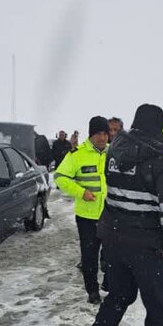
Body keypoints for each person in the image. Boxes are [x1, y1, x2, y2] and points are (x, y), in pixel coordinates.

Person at [75, 103, 163, 326]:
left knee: (117, 298)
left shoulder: (115, 151)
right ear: (159, 126)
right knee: (158, 309)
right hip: (148, 247)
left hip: (114, 241)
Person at [55, 117, 109, 303]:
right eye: (98, 134)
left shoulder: (113, 154)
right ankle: (92, 291)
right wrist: (80, 192)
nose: (102, 138)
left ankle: (109, 284)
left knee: (111, 253)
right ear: (91, 134)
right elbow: (60, 177)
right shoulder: (77, 154)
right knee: (89, 256)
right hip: (87, 216)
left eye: (105, 133)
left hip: (111, 215)